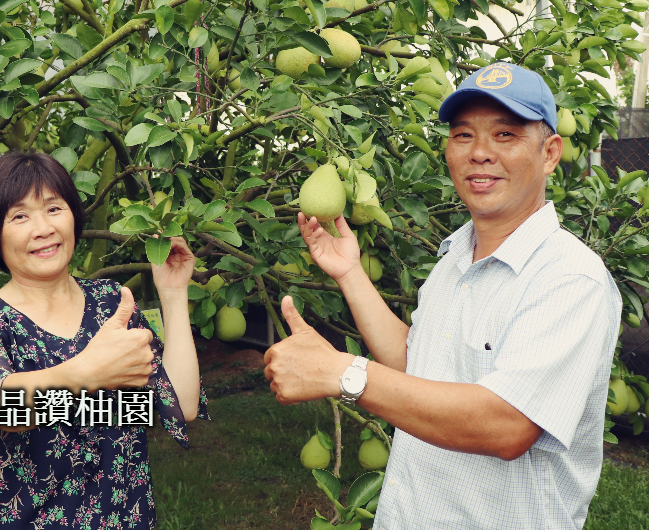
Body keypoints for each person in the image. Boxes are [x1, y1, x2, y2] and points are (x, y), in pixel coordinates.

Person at [263, 62, 621, 529]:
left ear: (550, 153)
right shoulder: (457, 256)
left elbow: (507, 425)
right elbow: (418, 365)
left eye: (506, 135)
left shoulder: (570, 278)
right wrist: (349, 272)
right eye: (463, 136)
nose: (480, 153)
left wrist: (344, 373)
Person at [0, 151, 206, 529]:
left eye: (54, 208)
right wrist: (87, 371)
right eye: (20, 216)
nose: (43, 228)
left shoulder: (111, 303)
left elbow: (180, 404)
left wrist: (173, 293)